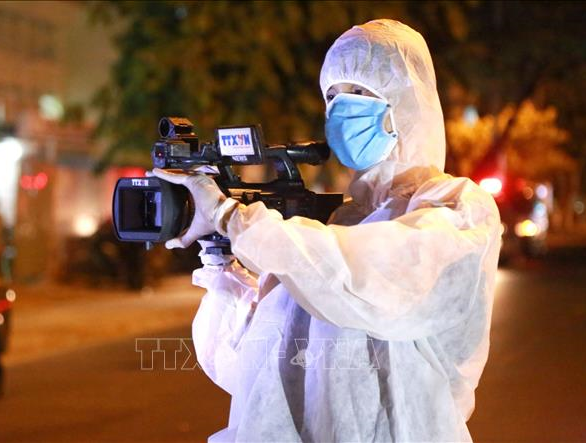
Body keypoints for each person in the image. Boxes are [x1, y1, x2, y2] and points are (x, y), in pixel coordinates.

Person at [154, 19, 502, 442]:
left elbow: (372, 275)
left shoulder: (459, 208)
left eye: (359, 92)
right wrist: (222, 260)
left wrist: (234, 218)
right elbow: (244, 364)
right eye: (332, 95)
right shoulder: (336, 226)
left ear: (407, 104)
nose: (341, 108)